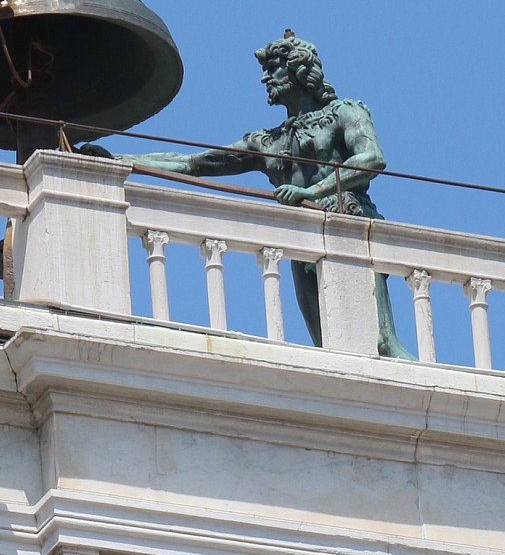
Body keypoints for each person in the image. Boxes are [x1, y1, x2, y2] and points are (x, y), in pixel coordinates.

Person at [130, 31, 410, 357]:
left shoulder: (345, 112)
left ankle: (390, 344)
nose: (265, 78)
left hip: (349, 221)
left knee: (381, 343)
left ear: (299, 69)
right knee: (328, 347)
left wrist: (311, 190)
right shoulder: (269, 142)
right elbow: (192, 163)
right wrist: (121, 160)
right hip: (303, 240)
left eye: (273, 68)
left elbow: (372, 158)